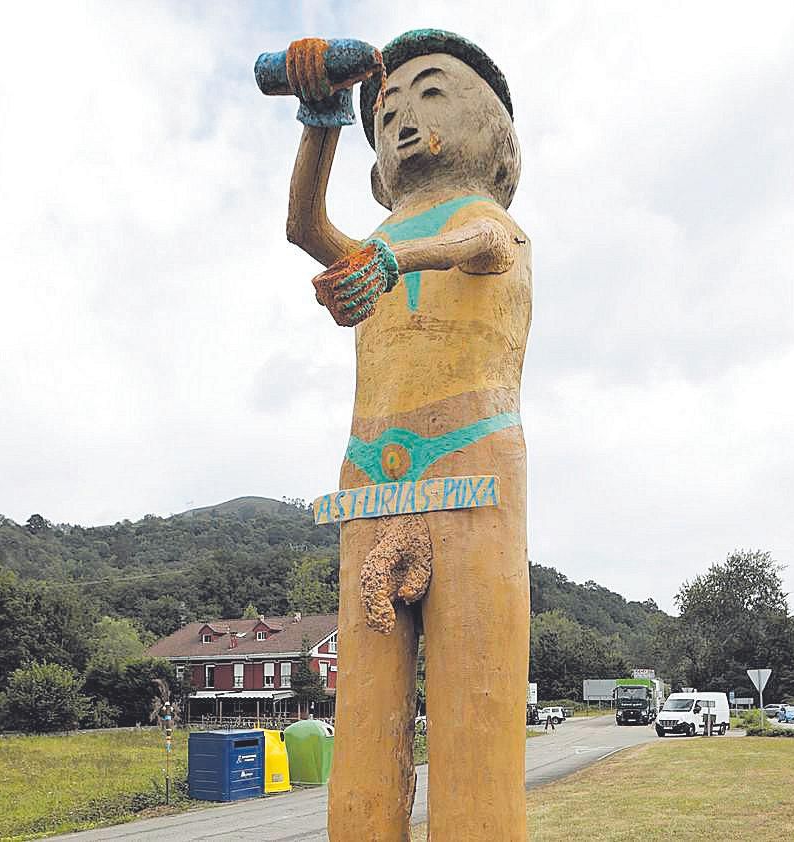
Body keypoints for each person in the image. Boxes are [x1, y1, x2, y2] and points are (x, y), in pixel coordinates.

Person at [269, 29, 531, 841]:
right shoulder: (381, 238)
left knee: (474, 708)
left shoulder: (485, 222)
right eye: (384, 111)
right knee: (366, 708)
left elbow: (478, 246)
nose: (403, 118)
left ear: (489, 126)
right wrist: (319, 118)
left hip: (471, 462)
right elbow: (307, 229)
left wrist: (395, 261)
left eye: (430, 93)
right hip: (369, 476)